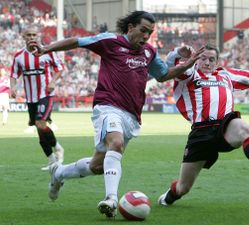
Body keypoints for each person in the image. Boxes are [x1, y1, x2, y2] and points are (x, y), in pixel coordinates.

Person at [30, 11, 204, 219]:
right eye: (143, 31)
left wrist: (186, 65)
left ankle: (59, 172)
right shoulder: (110, 41)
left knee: (98, 166)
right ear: (130, 28)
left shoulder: (149, 52)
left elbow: (163, 75)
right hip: (107, 106)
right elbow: (77, 41)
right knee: (117, 143)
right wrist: (47, 48)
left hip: (131, 115)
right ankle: (111, 199)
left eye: (149, 32)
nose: (146, 36)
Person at [158, 44, 249, 206]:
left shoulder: (226, 75)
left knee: (243, 127)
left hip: (224, 127)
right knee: (183, 187)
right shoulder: (189, 74)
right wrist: (177, 53)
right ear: (196, 60)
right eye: (203, 58)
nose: (207, 63)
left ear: (217, 62)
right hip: (200, 133)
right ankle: (168, 198)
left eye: (212, 59)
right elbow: (169, 68)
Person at [10, 26, 65, 171]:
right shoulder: (19, 56)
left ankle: (58, 148)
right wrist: (13, 87)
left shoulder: (47, 52)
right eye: (28, 35)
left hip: (45, 94)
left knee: (40, 123)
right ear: (24, 37)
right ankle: (52, 161)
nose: (32, 37)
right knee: (39, 131)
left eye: (34, 34)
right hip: (30, 98)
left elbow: (59, 68)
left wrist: (53, 82)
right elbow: (14, 75)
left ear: (38, 36)